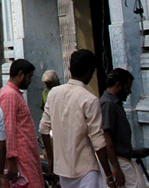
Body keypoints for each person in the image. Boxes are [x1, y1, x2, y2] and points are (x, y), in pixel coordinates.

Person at [40, 49, 118, 188]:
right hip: (86, 168)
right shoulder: (89, 100)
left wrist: (51, 159)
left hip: (63, 169)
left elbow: (43, 128)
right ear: (89, 71)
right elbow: (98, 141)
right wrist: (109, 176)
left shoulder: (54, 94)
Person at [0, 60, 44, 188]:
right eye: (29, 77)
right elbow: (8, 130)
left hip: (25, 155)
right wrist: (12, 161)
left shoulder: (12, 93)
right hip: (21, 158)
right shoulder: (10, 95)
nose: (30, 81)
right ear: (21, 74)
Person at [101, 68, 146, 188]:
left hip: (123, 160)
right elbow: (107, 139)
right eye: (127, 88)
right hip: (119, 161)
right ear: (118, 85)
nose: (129, 92)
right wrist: (116, 169)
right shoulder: (108, 104)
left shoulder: (114, 103)